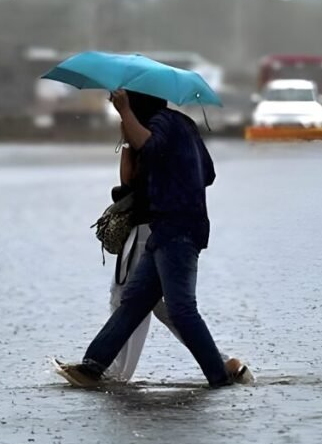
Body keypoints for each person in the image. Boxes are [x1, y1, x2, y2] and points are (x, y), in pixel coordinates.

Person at [57, 89, 235, 388]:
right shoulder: (183, 124)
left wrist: (125, 113)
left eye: (130, 103)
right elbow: (208, 174)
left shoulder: (162, 122)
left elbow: (150, 149)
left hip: (177, 230)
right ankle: (92, 367)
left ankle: (219, 377)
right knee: (134, 302)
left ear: (139, 104)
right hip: (167, 229)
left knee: (181, 309)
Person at [103, 131, 251, 384]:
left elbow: (128, 180)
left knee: (128, 298)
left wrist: (126, 141)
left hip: (147, 230)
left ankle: (113, 372)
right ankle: (221, 361)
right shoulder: (169, 132)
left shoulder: (144, 134)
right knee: (161, 305)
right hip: (160, 227)